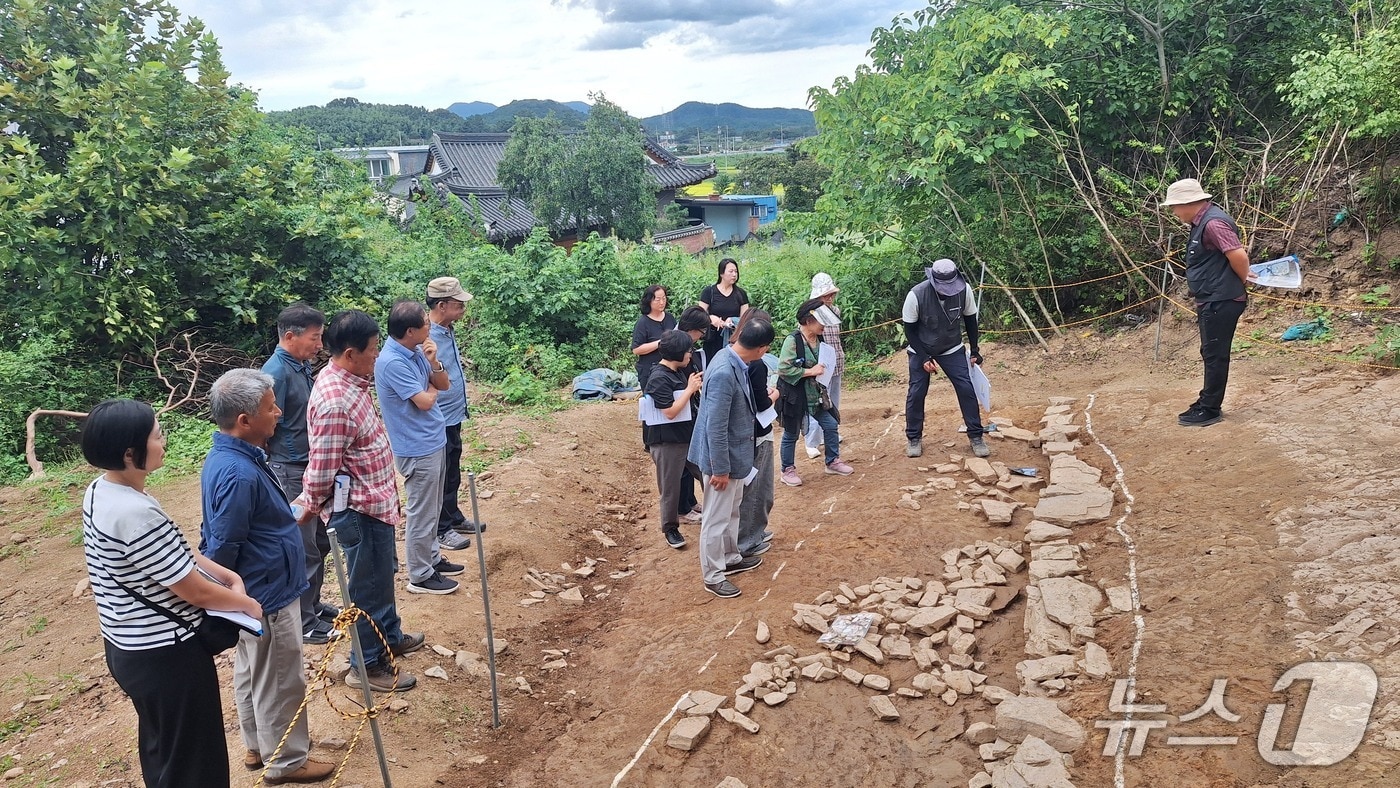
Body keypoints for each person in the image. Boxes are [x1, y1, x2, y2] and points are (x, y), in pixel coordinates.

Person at [80, 399, 262, 788]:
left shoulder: (102, 491)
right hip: (166, 656)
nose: (163, 443)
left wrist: (224, 573)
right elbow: (195, 592)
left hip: (127, 645)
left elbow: (178, 551)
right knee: (196, 762)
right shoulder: (134, 512)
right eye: (157, 436)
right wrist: (246, 603)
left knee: (164, 749)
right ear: (131, 453)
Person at [200, 370, 335, 785]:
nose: (278, 412)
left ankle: (258, 744)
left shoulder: (235, 457)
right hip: (266, 593)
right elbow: (222, 544)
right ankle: (287, 760)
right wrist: (234, 597)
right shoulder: (238, 472)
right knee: (280, 675)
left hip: (258, 591)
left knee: (253, 668)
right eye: (269, 407)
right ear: (244, 420)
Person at [294, 310, 423, 693]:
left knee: (381, 578)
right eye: (372, 350)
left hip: (376, 502)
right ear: (350, 353)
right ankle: (365, 664)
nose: (377, 355)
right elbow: (322, 467)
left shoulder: (352, 382)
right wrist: (309, 505)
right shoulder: (335, 399)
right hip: (359, 511)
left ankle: (388, 637)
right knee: (366, 587)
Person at [260, 303, 339, 646]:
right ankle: (304, 621)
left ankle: (314, 604)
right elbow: (264, 429)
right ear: (290, 337)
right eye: (315, 337)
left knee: (318, 542)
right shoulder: (275, 372)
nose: (319, 345)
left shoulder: (300, 365)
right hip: (290, 469)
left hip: (308, 465)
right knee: (303, 546)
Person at [375, 299, 463, 596]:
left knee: (433, 507)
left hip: (432, 438)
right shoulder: (392, 361)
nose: (430, 326)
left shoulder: (416, 351)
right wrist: (432, 387)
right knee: (421, 512)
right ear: (411, 330)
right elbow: (425, 401)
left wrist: (434, 363)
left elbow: (443, 383)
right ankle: (420, 575)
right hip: (416, 447)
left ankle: (433, 559)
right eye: (426, 323)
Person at [688, 317, 774, 598]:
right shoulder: (725, 371)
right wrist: (720, 469)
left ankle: (730, 558)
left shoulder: (730, 357)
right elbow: (715, 426)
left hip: (736, 454)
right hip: (720, 460)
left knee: (732, 509)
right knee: (715, 517)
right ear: (762, 349)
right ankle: (712, 575)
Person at [1161, 178, 1254, 427]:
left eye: (1174, 207)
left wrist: (1242, 278)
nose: (1173, 212)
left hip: (1221, 299)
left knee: (1215, 354)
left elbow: (1237, 254)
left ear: (1187, 203)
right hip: (1214, 297)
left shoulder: (1212, 223)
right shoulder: (1202, 222)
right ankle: (1207, 401)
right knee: (1211, 352)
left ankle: (1210, 408)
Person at [903, 258, 986, 459]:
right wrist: (923, 357)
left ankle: (976, 435)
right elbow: (910, 331)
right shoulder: (916, 295)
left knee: (966, 388)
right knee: (917, 392)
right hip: (920, 346)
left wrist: (975, 350)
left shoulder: (964, 290)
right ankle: (914, 437)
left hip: (951, 346)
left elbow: (970, 321)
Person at [426, 277, 480, 551]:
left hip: (453, 414)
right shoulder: (426, 338)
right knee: (442, 474)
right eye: (459, 305)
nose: (463, 310)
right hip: (438, 416)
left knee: (453, 470)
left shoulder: (446, 330)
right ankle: (441, 529)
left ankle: (453, 516)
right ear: (442, 305)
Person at [778, 299, 853, 486]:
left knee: (830, 424)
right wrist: (810, 371)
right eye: (821, 322)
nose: (824, 326)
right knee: (791, 433)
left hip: (815, 394)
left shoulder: (820, 339)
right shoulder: (792, 340)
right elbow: (783, 369)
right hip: (795, 396)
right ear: (808, 321)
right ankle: (787, 470)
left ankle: (832, 462)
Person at [643, 330, 703, 550]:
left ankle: (717, 515)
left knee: (706, 474)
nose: (691, 355)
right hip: (667, 442)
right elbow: (669, 411)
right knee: (670, 488)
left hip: (686, 436)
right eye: (688, 350)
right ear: (678, 352)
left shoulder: (676, 370)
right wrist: (689, 390)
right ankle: (670, 528)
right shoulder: (658, 377)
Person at [731, 309, 777, 557]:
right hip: (758, 432)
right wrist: (774, 395)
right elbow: (760, 403)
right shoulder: (755, 365)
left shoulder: (733, 358)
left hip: (747, 433)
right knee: (758, 489)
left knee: (752, 490)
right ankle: (748, 540)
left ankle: (754, 532)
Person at [674, 306, 713, 523]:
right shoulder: (677, 345)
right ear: (692, 329)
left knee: (691, 459)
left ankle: (689, 501)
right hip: (682, 412)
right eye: (701, 331)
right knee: (684, 464)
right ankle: (681, 508)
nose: (701, 337)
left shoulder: (688, 345)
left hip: (691, 408)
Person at [804, 273, 845, 460]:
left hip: (835, 360)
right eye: (826, 295)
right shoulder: (809, 315)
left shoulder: (835, 310)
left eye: (831, 294)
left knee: (833, 402)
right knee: (816, 403)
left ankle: (829, 434)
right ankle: (811, 441)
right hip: (818, 365)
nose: (830, 298)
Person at [697, 258, 750, 367]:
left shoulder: (741, 294)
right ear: (721, 273)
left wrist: (734, 321)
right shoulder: (709, 292)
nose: (734, 274)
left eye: (736, 271)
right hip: (712, 339)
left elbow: (746, 319)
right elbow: (698, 313)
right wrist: (711, 318)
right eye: (731, 271)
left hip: (733, 341)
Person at [631, 284, 677, 390]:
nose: (662, 302)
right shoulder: (643, 322)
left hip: (670, 369)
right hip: (649, 370)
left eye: (664, 298)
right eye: (657, 299)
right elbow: (636, 349)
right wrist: (661, 342)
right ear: (649, 301)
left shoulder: (670, 318)